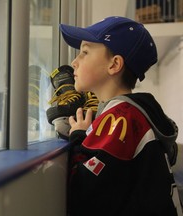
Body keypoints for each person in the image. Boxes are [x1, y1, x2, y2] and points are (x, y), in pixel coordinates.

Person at [58, 16, 182, 216]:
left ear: (114, 65)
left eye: (85, 52)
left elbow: (85, 195)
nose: (74, 62)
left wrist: (79, 136)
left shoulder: (120, 118)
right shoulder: (132, 112)